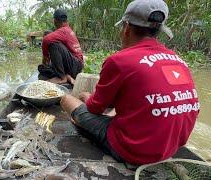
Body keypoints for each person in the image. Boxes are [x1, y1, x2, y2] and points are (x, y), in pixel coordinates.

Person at [60, 0, 199, 165]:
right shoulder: (179, 60)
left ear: (126, 28)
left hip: (133, 151)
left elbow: (95, 107)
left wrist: (87, 97)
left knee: (67, 100)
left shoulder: (119, 60)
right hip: (169, 149)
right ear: (158, 31)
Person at [38, 9, 84, 84]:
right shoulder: (67, 30)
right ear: (66, 20)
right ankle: (67, 76)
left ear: (55, 21)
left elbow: (46, 40)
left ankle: (62, 78)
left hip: (75, 66)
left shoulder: (64, 30)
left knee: (54, 45)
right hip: (74, 65)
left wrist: (45, 57)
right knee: (41, 68)